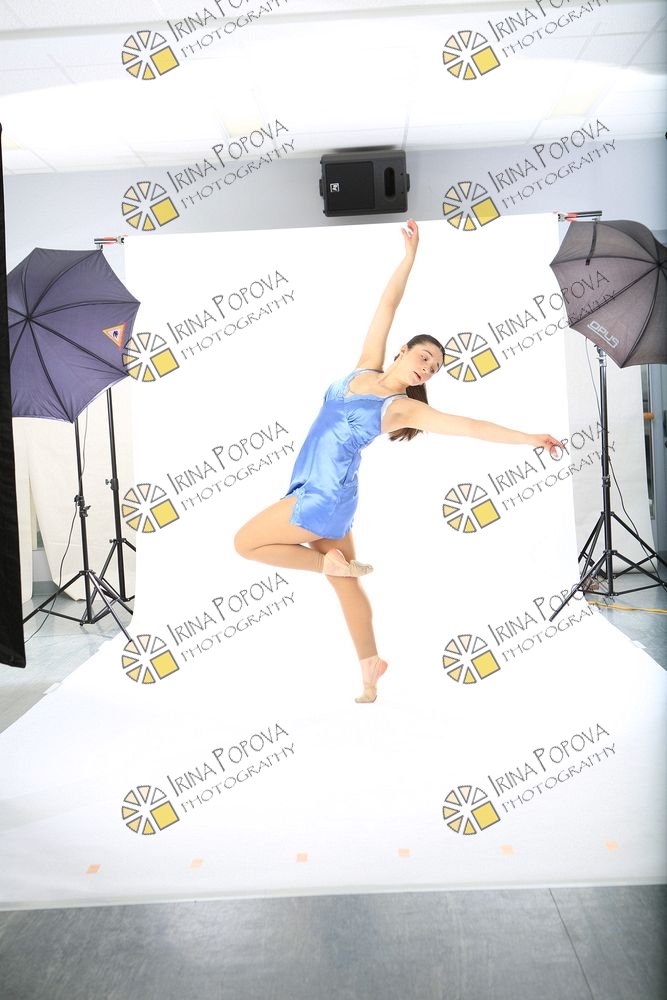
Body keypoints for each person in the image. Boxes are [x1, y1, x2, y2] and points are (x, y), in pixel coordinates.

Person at [234, 219, 561, 703]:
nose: (427, 368)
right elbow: (386, 305)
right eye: (424, 357)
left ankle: (328, 566)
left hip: (324, 494)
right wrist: (409, 258)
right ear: (404, 351)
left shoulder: (402, 409)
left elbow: (470, 426)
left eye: (434, 368)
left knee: (246, 543)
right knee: (346, 582)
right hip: (328, 490)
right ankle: (371, 670)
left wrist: (529, 438)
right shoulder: (364, 368)